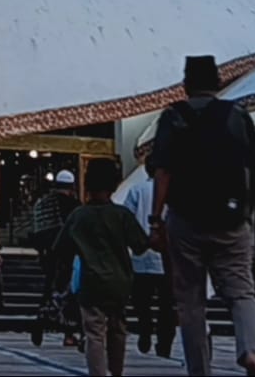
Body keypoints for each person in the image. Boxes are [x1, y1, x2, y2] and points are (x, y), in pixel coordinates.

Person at [150, 54, 255, 377]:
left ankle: (200, 370)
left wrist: (155, 219)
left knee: (190, 302)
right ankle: (250, 351)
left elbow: (163, 172)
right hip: (232, 220)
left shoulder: (173, 117)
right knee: (241, 292)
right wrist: (248, 209)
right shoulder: (237, 115)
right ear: (218, 83)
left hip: (186, 221)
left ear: (185, 85)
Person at [54, 158, 148, 377]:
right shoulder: (121, 215)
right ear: (114, 185)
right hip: (120, 281)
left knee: (94, 332)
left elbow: (61, 249)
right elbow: (141, 245)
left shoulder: (78, 216)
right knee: (117, 329)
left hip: (91, 281)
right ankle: (116, 371)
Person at [121, 170, 176, 358]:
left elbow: (127, 219)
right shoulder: (172, 191)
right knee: (166, 304)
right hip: (166, 257)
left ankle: (145, 328)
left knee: (141, 300)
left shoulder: (137, 190)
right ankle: (164, 341)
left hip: (142, 256)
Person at [30, 169, 82, 347]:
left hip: (47, 255)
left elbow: (35, 231)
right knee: (68, 294)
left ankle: (40, 319)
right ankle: (69, 333)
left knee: (49, 290)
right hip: (66, 255)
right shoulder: (73, 205)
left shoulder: (41, 203)